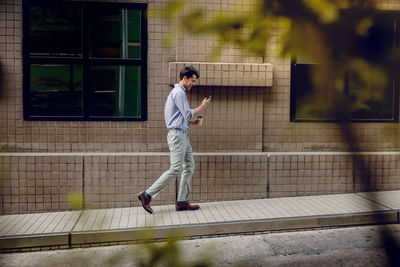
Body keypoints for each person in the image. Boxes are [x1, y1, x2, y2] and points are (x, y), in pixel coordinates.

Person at [137, 66, 212, 214]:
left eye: (194, 81)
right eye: (192, 81)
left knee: (189, 166)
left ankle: (182, 201)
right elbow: (187, 114)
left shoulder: (178, 93)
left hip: (182, 134)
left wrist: (191, 123)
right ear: (184, 78)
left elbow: (179, 117)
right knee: (176, 168)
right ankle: (146, 195)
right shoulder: (179, 92)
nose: (193, 84)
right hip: (177, 136)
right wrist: (202, 106)